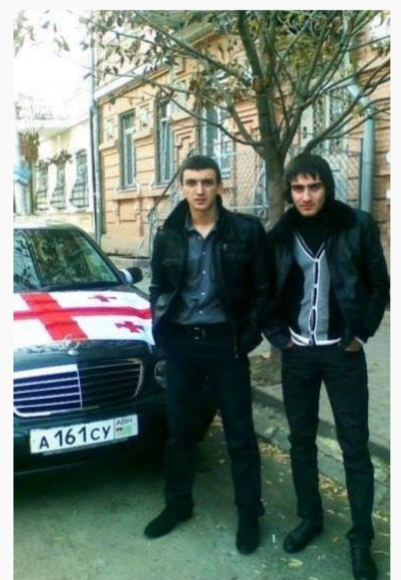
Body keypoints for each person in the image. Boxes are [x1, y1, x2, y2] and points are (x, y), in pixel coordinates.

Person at [263, 153, 389, 580]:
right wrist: (278, 336)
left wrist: (362, 333)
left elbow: (379, 284)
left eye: (314, 186)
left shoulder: (356, 226)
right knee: (301, 441)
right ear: (290, 192)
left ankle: (361, 538)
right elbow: (265, 290)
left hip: (343, 354)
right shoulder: (281, 235)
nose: (306, 196)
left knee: (355, 446)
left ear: (327, 187)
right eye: (298, 188)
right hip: (298, 354)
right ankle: (310, 518)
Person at [144, 155, 269, 554]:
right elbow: (159, 288)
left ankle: (249, 514)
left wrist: (247, 338)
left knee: (240, 434)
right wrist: (163, 330)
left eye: (207, 182)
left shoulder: (245, 232)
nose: (200, 190)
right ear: (182, 186)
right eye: (192, 182)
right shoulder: (168, 235)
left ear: (220, 186)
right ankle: (178, 504)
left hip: (225, 344)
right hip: (182, 343)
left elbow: (263, 289)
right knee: (181, 431)